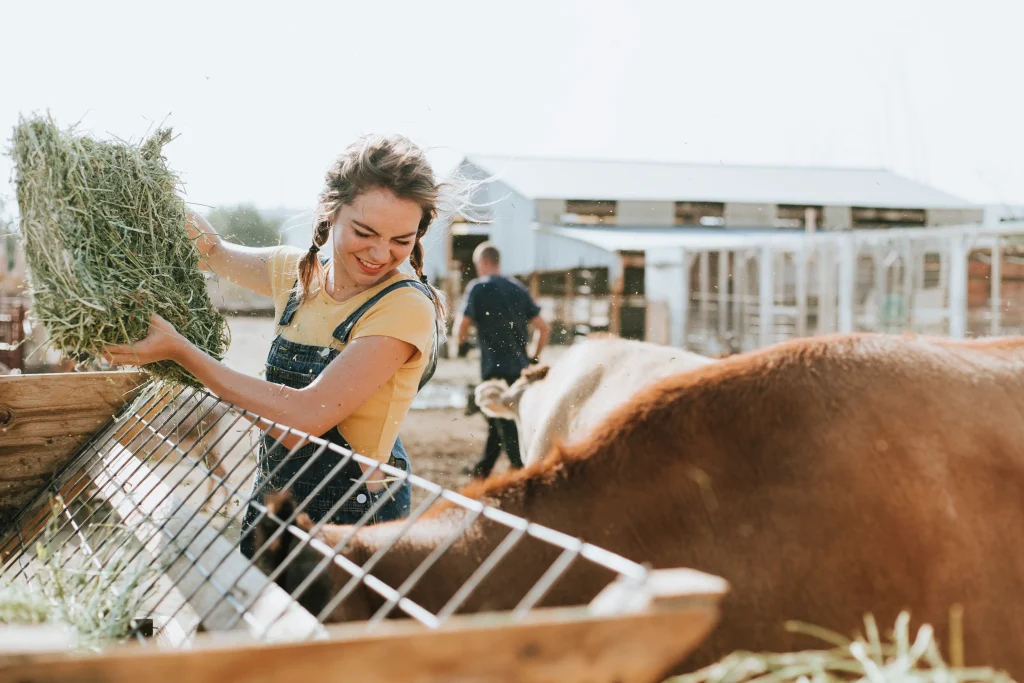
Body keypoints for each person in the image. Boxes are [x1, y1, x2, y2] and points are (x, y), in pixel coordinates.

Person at [101, 134, 463, 557]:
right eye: (365, 232)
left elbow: (303, 418)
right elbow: (212, 251)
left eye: (402, 240)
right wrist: (142, 184)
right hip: (276, 500)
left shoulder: (404, 306)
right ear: (330, 211)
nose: (381, 253)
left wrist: (181, 351)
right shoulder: (298, 273)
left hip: (353, 522)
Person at [454, 242, 550, 479]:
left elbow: (461, 326)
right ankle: (484, 468)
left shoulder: (478, 287)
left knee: (504, 423)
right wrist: (534, 357)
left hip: (493, 368)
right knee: (500, 418)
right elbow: (543, 328)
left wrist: (462, 345)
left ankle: (520, 470)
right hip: (519, 368)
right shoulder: (518, 288)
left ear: (483, 263)